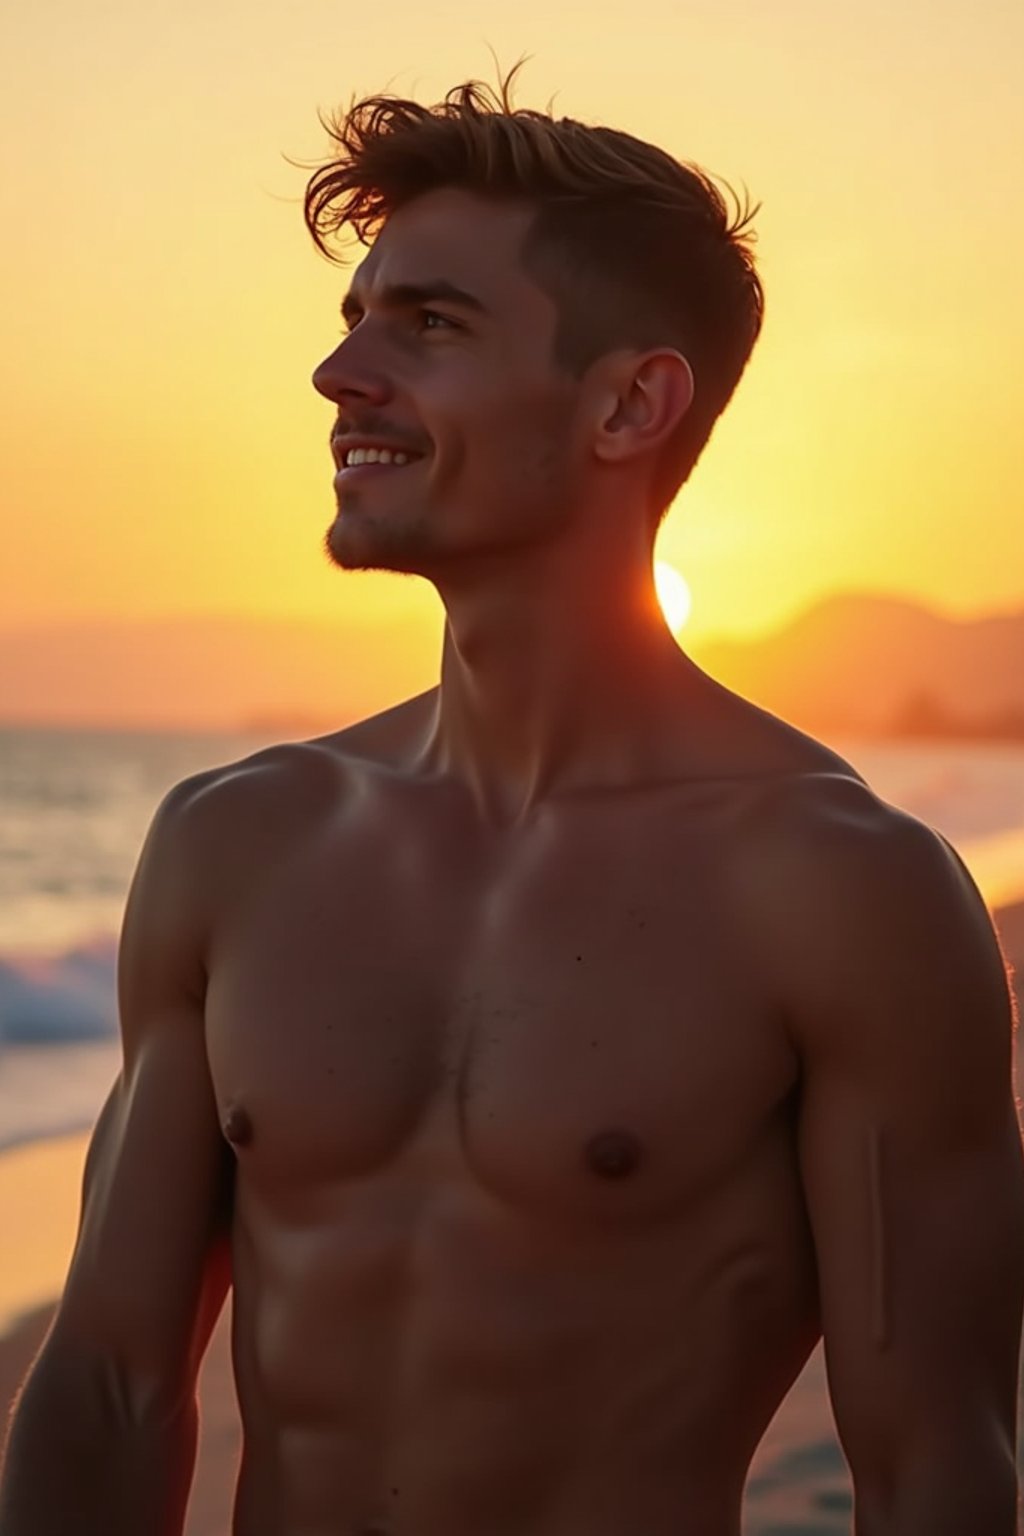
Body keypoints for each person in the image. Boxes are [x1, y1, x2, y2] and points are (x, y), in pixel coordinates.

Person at [2, 66, 1022, 1536]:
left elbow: (936, 1466)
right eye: (352, 320)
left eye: (428, 323)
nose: (340, 375)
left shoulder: (840, 892)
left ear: (627, 404)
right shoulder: (236, 843)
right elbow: (106, 1382)